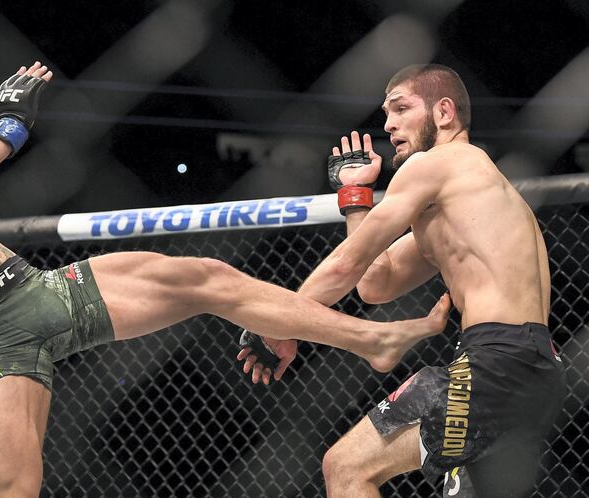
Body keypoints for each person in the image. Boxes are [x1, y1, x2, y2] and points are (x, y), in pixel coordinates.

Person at [0, 36, 450, 498]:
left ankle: (374, 340)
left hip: (35, 291)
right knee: (13, 489)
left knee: (205, 277)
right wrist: (8, 127)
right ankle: (374, 341)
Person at [240, 64, 567, 497]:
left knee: (346, 467)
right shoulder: (467, 199)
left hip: (493, 362)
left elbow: (345, 265)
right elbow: (376, 282)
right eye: (386, 113)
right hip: (531, 368)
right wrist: (356, 197)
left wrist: (279, 322)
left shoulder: (440, 163)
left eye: (401, 108)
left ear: (445, 112)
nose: (389, 124)